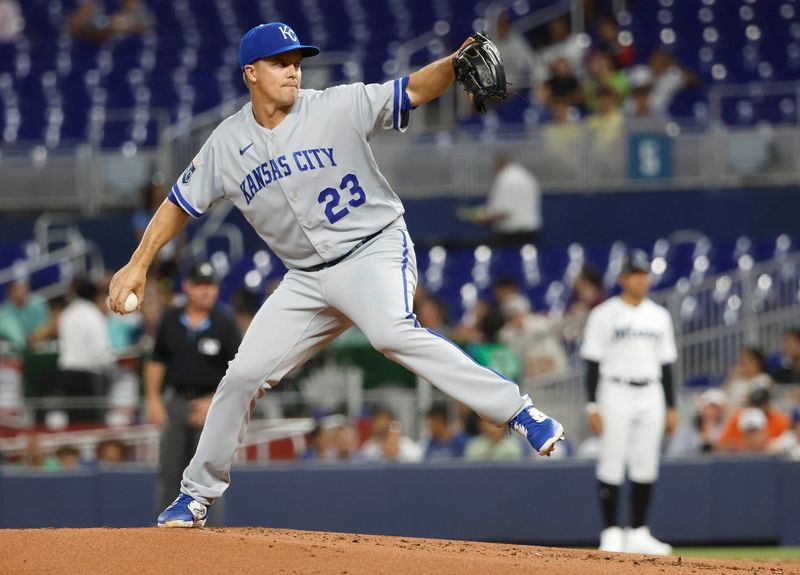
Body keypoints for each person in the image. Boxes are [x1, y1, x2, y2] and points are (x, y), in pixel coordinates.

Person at [108, 22, 564, 528]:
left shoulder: (334, 105)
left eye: (297, 62)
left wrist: (452, 66)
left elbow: (410, 89)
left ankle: (518, 411)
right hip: (304, 278)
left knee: (392, 332)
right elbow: (178, 203)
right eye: (281, 63)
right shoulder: (225, 144)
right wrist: (138, 263)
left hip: (373, 250)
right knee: (241, 376)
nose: (293, 71)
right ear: (251, 73)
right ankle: (195, 496)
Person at [581, 250, 677, 555]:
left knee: (646, 463)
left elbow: (667, 365)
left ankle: (638, 531)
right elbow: (592, 362)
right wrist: (591, 406)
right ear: (623, 279)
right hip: (615, 390)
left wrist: (672, 406)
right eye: (635, 274)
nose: (641, 280)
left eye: (644, 274)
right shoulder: (604, 314)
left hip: (651, 391)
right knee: (612, 461)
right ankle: (611, 531)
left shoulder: (659, 315)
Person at [144, 262, 241, 526]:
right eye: (200, 285)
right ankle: (165, 531)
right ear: (187, 286)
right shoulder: (172, 319)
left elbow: (238, 371)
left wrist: (212, 402)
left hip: (211, 403)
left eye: (211, 286)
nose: (206, 291)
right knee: (169, 470)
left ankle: (212, 537)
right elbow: (156, 360)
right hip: (175, 400)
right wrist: (152, 397)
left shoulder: (225, 322)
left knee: (209, 472)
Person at [57, 278, 116, 422]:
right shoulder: (94, 316)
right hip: (87, 378)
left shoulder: (66, 314)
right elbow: (99, 351)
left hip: (66, 375)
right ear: (95, 296)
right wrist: (113, 361)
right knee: (90, 423)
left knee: (73, 423)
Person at [460, 154, 542, 247]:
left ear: (499, 165)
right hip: (530, 235)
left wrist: (481, 217)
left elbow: (503, 213)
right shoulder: (528, 176)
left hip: (511, 237)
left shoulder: (505, 178)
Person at [497, 293, 568, 380]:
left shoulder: (541, 324)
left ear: (526, 312)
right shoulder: (506, 334)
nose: (516, 318)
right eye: (511, 316)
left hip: (554, 374)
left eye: (518, 314)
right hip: (527, 378)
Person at [716, 387, 790, 452]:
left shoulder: (782, 420)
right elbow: (721, 445)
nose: (753, 437)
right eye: (749, 433)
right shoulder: (739, 418)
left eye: (756, 432)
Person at [667, 388, 728, 456]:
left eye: (717, 408)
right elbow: (674, 453)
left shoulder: (725, 428)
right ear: (702, 408)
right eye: (710, 406)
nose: (711, 412)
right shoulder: (686, 429)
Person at [1, 278, 50, 346]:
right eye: (16, 288)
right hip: (15, 348)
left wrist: (35, 337)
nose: (20, 291)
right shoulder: (4, 309)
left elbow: (46, 326)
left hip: (40, 343)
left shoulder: (38, 302)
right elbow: (7, 333)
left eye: (22, 287)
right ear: (9, 291)